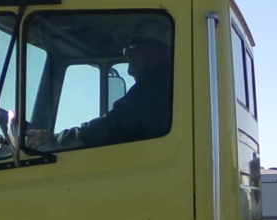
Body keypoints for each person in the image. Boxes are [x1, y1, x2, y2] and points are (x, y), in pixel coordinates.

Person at [26, 37, 173, 153]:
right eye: (126, 48)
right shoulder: (164, 84)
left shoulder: (154, 89)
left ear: (161, 51)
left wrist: (56, 142)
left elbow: (114, 126)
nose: (126, 53)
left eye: (133, 47)